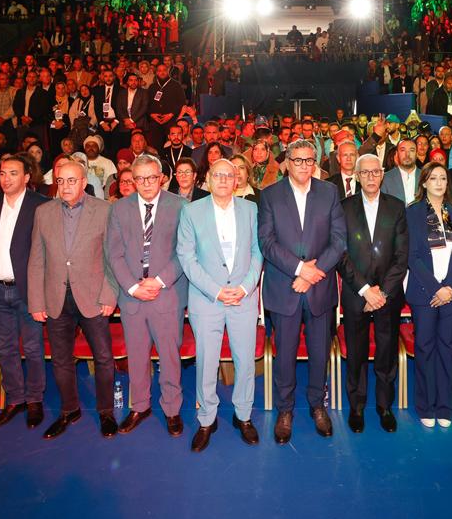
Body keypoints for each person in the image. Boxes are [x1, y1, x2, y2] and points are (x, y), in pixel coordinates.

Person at [258, 139, 347, 443]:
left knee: (320, 352)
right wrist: (299, 269)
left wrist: (311, 274)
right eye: (298, 160)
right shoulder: (270, 195)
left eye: (309, 160)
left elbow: (339, 241)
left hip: (319, 287)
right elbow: (267, 242)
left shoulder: (329, 192)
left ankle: (317, 405)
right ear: (287, 162)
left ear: (315, 162)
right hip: (285, 287)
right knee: (284, 355)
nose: (304, 166)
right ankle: (285, 410)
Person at [27, 159, 120, 440]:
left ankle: (106, 412)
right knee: (61, 360)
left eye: (71, 180)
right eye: (61, 180)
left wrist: (109, 295)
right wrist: (36, 302)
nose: (65, 186)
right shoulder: (43, 212)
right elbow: (36, 259)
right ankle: (69, 410)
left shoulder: (104, 210)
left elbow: (112, 258)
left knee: (103, 358)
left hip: (94, 298)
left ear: (84, 182)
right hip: (55, 298)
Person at [176, 158, 264, 452]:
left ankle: (243, 415)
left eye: (229, 175)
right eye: (218, 175)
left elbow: (258, 252)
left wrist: (245, 287)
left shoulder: (251, 210)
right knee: (206, 362)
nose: (224, 180)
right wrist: (216, 291)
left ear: (237, 180)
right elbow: (187, 257)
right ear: (208, 180)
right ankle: (206, 419)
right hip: (206, 300)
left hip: (243, 297)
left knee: (245, 360)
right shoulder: (191, 211)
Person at [104, 154, 187, 436]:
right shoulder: (119, 208)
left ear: (162, 177)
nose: (147, 183)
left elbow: (185, 251)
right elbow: (113, 253)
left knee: (169, 356)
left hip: (167, 294)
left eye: (152, 177)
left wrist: (160, 281)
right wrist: (132, 287)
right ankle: (139, 406)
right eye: (140, 178)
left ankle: (172, 408)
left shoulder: (180, 206)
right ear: (133, 180)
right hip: (132, 297)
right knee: (137, 355)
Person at [0, 154, 51, 430]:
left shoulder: (41, 206)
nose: (6, 179)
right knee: (5, 348)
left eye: (13, 173)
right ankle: (15, 399)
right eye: (3, 173)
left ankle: (34, 399)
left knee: (32, 347)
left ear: (27, 177)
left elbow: (49, 252)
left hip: (28, 290)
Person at [338, 152, 408, 433]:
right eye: (365, 172)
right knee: (356, 353)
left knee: (386, 352)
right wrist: (366, 290)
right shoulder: (343, 208)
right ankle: (356, 406)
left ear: (382, 175)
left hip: (387, 296)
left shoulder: (397, 207)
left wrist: (382, 293)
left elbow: (401, 256)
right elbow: (340, 254)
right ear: (357, 176)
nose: (370, 177)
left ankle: (384, 405)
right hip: (356, 293)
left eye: (375, 172)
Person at [404, 161, 452, 428]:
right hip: (425, 292)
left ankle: (445, 405)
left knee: (447, 348)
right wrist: (437, 289)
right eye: (433, 178)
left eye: (443, 178)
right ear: (424, 182)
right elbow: (412, 256)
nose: (439, 183)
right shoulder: (413, 212)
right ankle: (426, 405)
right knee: (424, 348)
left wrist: (450, 288)